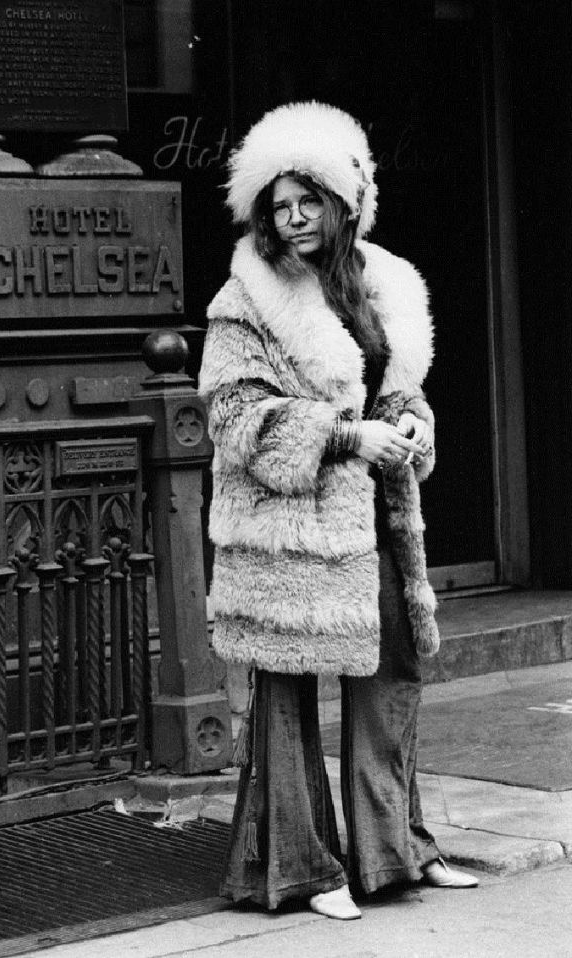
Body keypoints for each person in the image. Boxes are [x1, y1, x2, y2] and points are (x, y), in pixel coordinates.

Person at [198, 101, 478, 921]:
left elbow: (396, 383)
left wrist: (413, 418)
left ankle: (396, 852)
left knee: (393, 673)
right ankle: (304, 869)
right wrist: (346, 437)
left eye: (308, 201)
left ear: (343, 201)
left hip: (374, 526)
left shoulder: (380, 281)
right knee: (285, 697)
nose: (293, 219)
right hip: (288, 532)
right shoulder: (245, 297)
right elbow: (234, 415)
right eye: (279, 206)